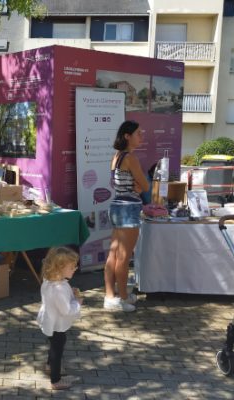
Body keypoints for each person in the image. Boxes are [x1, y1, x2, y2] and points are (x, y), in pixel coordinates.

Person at [103, 120, 149, 312]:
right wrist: (139, 187)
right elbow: (145, 186)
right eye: (138, 133)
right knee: (123, 256)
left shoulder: (117, 157)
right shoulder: (130, 158)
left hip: (117, 205)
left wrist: (138, 186)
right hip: (128, 208)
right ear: (127, 136)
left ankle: (110, 296)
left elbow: (122, 184)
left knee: (114, 253)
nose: (142, 136)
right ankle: (121, 298)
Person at [36, 247, 82, 390]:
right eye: (72, 267)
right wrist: (77, 302)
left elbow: (59, 299)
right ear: (60, 267)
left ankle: (50, 366)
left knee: (54, 344)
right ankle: (55, 380)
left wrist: (71, 293)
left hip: (50, 319)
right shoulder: (59, 287)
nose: (75, 269)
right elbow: (66, 310)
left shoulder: (50, 281)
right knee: (58, 347)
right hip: (56, 322)